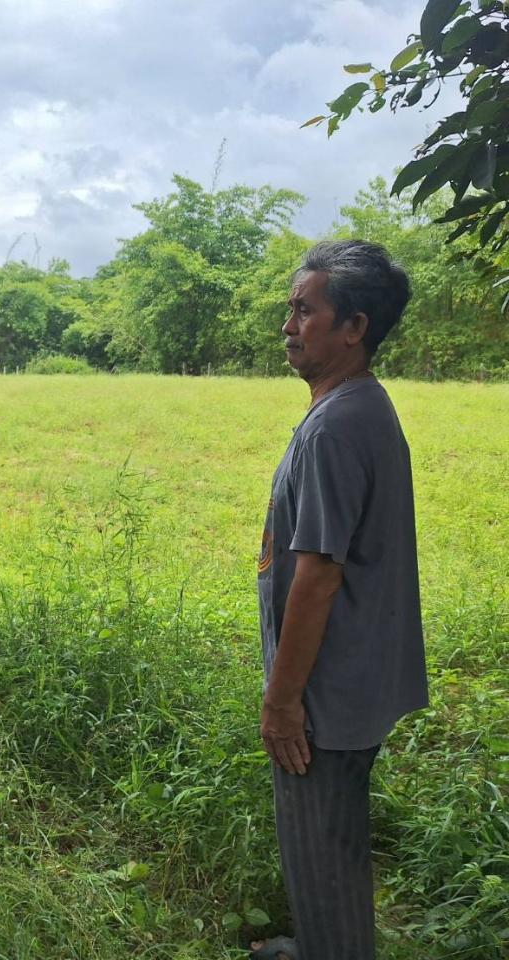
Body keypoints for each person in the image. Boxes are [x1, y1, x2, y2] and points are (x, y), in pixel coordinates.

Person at [250, 240, 428, 960]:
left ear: (354, 327)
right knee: (333, 843)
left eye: (305, 310)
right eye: (290, 308)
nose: (288, 325)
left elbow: (319, 574)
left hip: (326, 696)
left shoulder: (336, 425)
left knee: (320, 854)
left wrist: (283, 701)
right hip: (353, 679)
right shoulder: (359, 406)